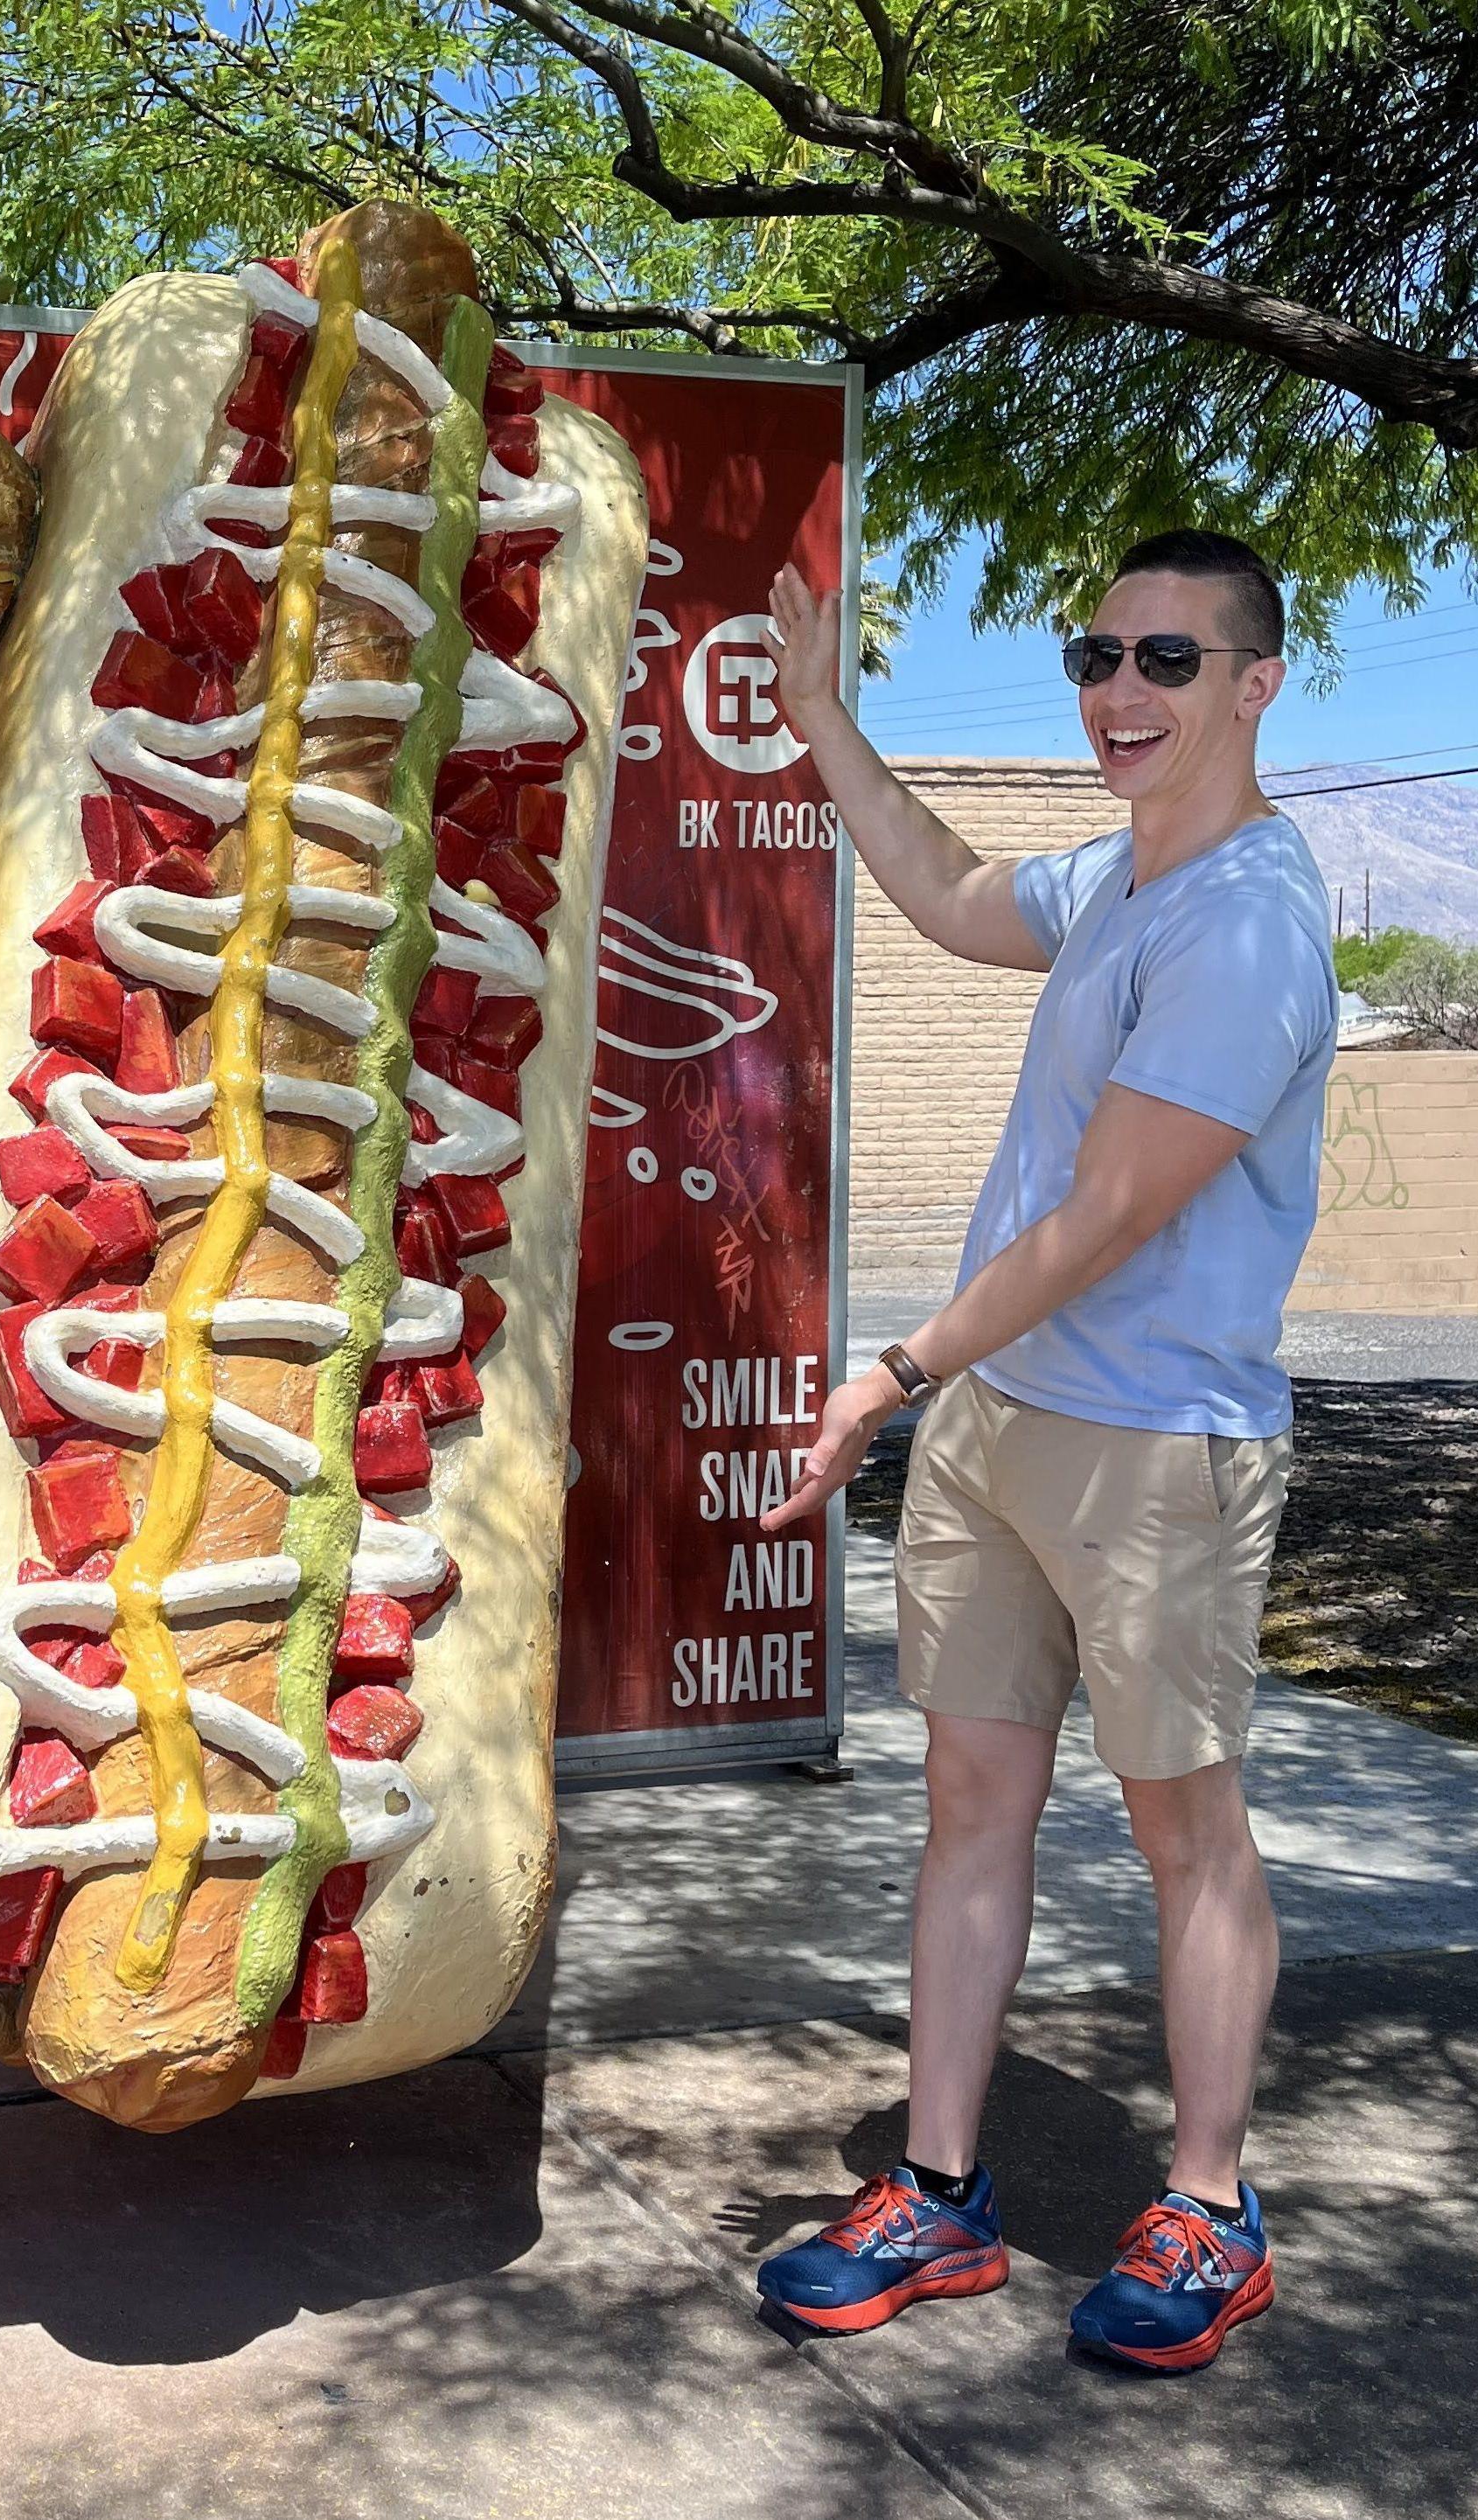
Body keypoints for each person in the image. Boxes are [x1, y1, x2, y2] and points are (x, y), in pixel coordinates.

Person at [750, 531, 1335, 2373]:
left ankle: (1209, 2208)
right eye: (1097, 656)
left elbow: (1103, 1215)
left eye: (1166, 659)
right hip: (1001, 1424)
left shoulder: (1250, 921)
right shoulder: (1114, 877)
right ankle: (938, 2189)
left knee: (1185, 1834)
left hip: (1153, 1442)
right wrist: (824, 719)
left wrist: (890, 1371)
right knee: (970, 1803)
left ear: (1252, 684)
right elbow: (942, 889)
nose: (1118, 692)